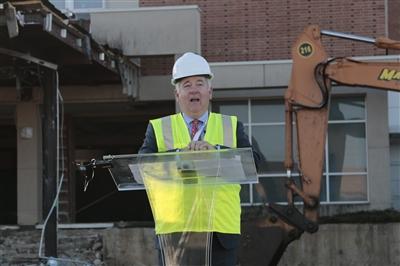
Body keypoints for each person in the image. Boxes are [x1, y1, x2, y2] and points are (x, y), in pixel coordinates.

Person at [139, 52, 259, 266]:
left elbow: (254, 163)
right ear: (177, 95)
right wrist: (178, 155)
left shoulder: (230, 125)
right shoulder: (158, 128)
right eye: (186, 85)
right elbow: (143, 166)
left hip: (220, 232)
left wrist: (217, 151)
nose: (193, 89)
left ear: (209, 92)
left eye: (199, 83)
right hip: (175, 232)